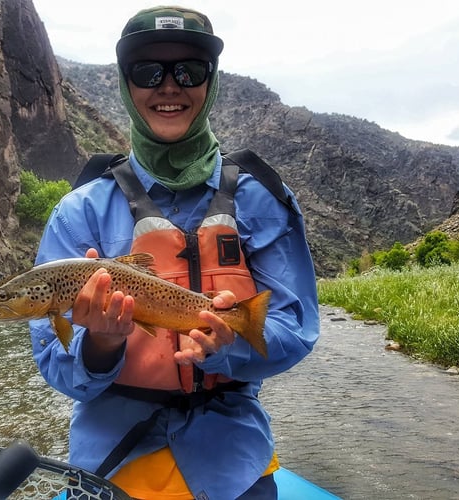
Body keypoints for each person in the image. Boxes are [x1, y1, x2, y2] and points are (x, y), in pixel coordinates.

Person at [29, 6, 319, 499]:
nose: (169, 86)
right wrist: (101, 344)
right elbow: (53, 363)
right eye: (148, 72)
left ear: (211, 83)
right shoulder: (78, 211)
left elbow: (295, 328)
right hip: (112, 462)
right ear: (126, 84)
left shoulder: (261, 197)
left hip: (235, 460)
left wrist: (232, 344)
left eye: (189, 70)